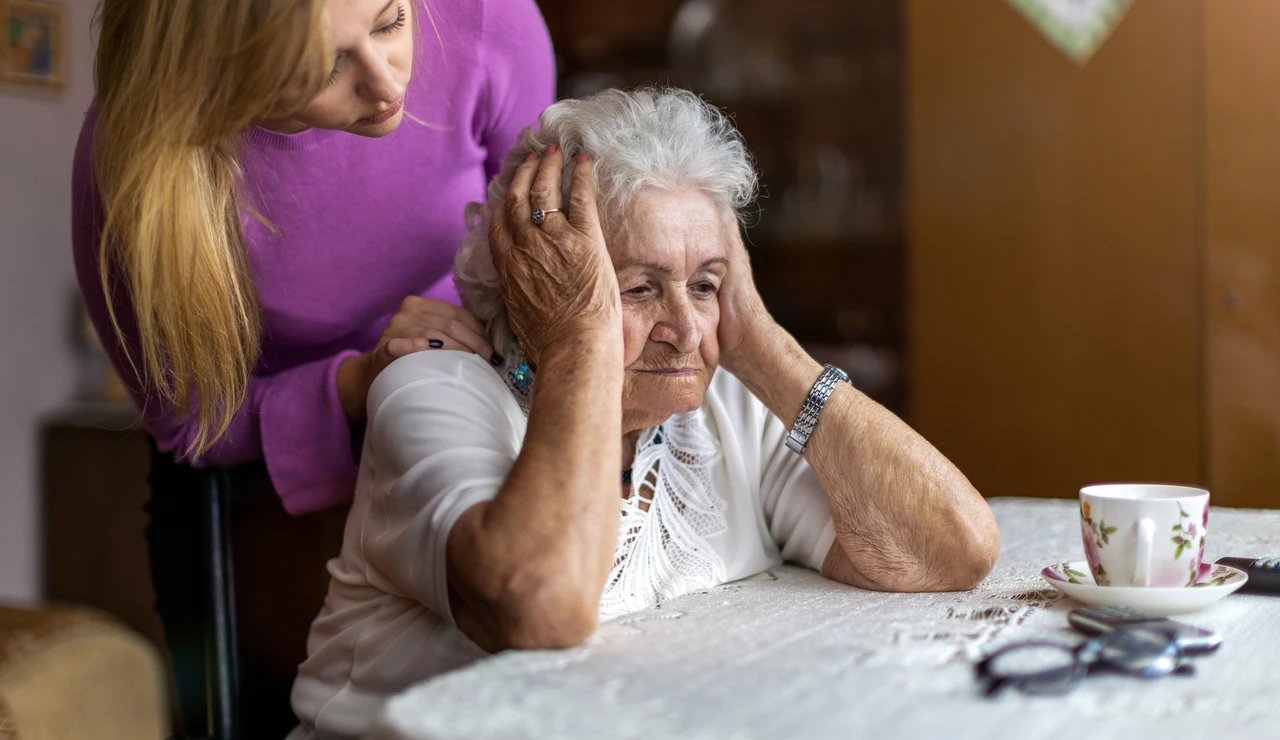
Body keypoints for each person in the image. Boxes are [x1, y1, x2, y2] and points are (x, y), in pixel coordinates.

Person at [288, 88, 1001, 739]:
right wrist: (578, 334)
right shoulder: (438, 388)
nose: (685, 330)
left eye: (704, 284)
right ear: (537, 283)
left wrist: (762, 344)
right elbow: (539, 606)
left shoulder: (724, 403)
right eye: (637, 288)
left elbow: (952, 550)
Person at [71, 0, 553, 731]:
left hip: (459, 410)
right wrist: (356, 382)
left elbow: (539, 242)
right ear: (222, 77)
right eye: (324, 66)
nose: (388, 83)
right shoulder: (131, 160)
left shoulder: (483, 16)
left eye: (390, 22)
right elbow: (187, 420)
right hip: (250, 480)